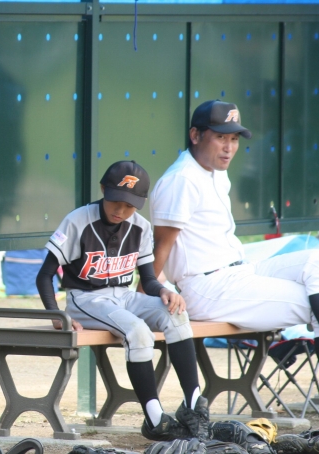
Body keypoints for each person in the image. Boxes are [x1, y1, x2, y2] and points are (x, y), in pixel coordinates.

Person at [36, 160, 208, 441]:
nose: (121, 210)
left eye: (129, 205)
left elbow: (148, 279)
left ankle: (193, 406)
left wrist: (163, 291)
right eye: (116, 200)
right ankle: (155, 419)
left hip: (125, 296)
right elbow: (44, 275)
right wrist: (57, 315)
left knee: (176, 314)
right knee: (138, 331)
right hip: (86, 299)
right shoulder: (78, 220)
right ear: (103, 189)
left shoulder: (140, 226)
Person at [149, 100, 319, 351]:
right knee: (310, 301)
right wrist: (141, 300)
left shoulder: (217, 170)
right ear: (195, 135)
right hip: (206, 289)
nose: (229, 148)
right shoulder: (181, 180)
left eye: (234, 139)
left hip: (240, 273)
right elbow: (160, 248)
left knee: (315, 260)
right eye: (220, 137)